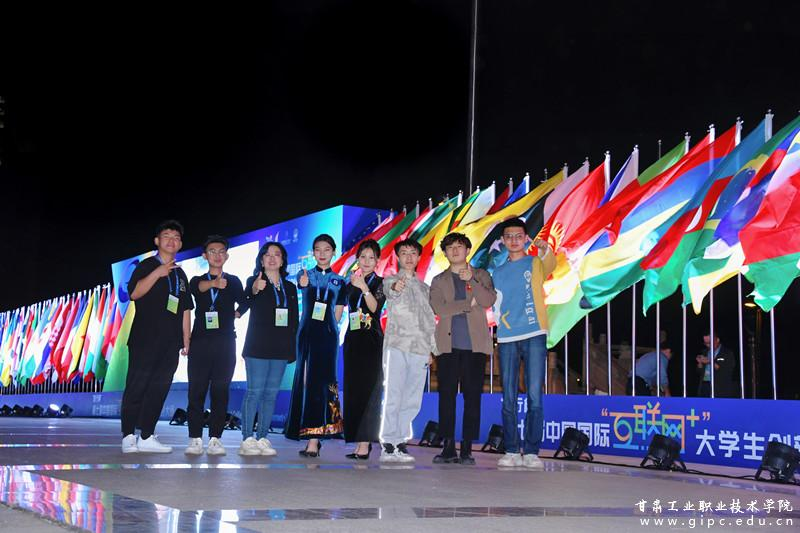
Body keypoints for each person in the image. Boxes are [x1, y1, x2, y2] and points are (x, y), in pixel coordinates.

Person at [121, 220, 193, 453]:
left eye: (176, 237)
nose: (172, 241)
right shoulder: (147, 265)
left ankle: (147, 436)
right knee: (137, 386)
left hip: (170, 343)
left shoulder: (181, 274)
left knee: (159, 390)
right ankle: (128, 436)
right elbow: (134, 293)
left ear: (180, 244)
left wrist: (186, 339)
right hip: (145, 339)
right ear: (157, 241)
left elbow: (185, 308)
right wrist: (157, 273)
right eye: (167, 236)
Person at [491, 218, 555, 468]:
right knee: (508, 396)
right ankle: (510, 449)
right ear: (503, 240)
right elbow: (493, 303)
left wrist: (545, 250)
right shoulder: (498, 272)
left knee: (535, 395)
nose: (514, 240)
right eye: (509, 236)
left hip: (534, 332)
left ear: (526, 238)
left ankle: (531, 451)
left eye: (519, 236)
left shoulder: (535, 262)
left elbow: (551, 264)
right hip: (507, 336)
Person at [429, 232, 496, 465]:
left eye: (459, 246)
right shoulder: (438, 280)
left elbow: (488, 301)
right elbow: (439, 309)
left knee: (472, 396)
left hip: (475, 346)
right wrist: (468, 304)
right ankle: (448, 446)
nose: (455, 250)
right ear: (445, 253)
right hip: (447, 346)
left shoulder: (481, 275)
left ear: (468, 250)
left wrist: (473, 282)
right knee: (446, 396)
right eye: (450, 247)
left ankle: (467, 447)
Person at [285, 234, 347, 456]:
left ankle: (318, 435)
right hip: (307, 334)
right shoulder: (304, 276)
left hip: (328, 336)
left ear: (333, 252)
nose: (322, 253)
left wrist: (331, 331)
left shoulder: (340, 281)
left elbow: (338, 313)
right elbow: (302, 291)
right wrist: (302, 285)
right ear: (312, 252)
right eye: (318, 249)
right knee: (307, 382)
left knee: (324, 382)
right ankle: (311, 436)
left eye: (327, 249)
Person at [185, 236, 245, 456]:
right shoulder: (196, 280)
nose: (217, 255)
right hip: (200, 344)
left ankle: (215, 439)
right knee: (196, 391)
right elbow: (197, 289)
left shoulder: (234, 281)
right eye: (212, 251)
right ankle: (194, 438)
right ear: (204, 256)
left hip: (226, 343)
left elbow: (245, 300)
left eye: (221, 251)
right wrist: (213, 284)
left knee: (220, 392)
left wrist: (238, 312)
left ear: (226, 256)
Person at [238, 242, 299, 456]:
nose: (272, 258)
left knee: (271, 395)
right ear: (262, 260)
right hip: (257, 346)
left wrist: (291, 349)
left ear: (282, 261)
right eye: (267, 254)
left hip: (280, 348)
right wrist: (255, 289)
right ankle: (247, 438)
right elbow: (245, 301)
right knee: (254, 392)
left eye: (277, 254)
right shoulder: (254, 281)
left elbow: (294, 320)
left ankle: (263, 437)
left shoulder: (290, 287)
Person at [379, 238, 437, 463]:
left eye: (413, 253)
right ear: (398, 257)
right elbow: (390, 292)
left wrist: (431, 349)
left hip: (420, 348)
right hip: (397, 346)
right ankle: (388, 442)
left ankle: (400, 440)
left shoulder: (425, 288)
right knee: (393, 395)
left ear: (419, 257)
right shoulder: (390, 280)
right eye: (404, 252)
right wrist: (396, 287)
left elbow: (430, 320)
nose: (409, 257)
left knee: (413, 398)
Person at [343, 239, 386, 460]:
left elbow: (375, 309)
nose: (367, 261)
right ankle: (356, 440)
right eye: (363, 257)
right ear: (357, 259)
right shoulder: (350, 282)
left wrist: (364, 288)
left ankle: (366, 443)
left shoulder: (381, 283)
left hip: (371, 341)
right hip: (353, 340)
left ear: (377, 260)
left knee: (370, 391)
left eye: (371, 257)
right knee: (354, 392)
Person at [696, 333, 739, 398]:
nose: (708, 345)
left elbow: (727, 370)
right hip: (705, 386)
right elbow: (699, 372)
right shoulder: (704, 352)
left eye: (710, 343)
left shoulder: (727, 353)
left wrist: (710, 361)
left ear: (717, 340)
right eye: (705, 343)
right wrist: (700, 363)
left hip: (720, 387)